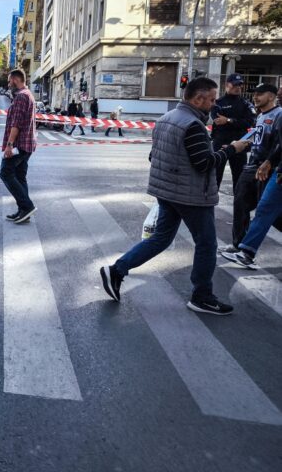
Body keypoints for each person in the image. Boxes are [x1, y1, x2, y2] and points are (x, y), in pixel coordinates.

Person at [99, 77, 250, 315]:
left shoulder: (165, 119)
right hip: (190, 196)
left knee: (160, 239)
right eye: (211, 99)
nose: (214, 105)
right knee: (207, 244)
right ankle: (202, 296)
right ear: (198, 99)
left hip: (167, 192)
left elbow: (154, 156)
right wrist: (231, 149)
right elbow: (204, 163)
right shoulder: (193, 125)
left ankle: (117, 270)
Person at [221, 84, 282, 260]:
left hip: (267, 169)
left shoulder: (279, 115)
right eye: (254, 93)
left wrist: (269, 163)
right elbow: (257, 136)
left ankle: (246, 249)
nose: (255, 97)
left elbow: (279, 145)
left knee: (269, 210)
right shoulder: (261, 115)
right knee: (240, 202)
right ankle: (238, 245)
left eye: (260, 94)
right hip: (252, 166)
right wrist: (239, 145)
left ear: (271, 96)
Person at [1, 69, 38, 224]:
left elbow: (16, 124)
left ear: (16, 80)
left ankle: (27, 206)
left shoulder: (21, 97)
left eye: (10, 81)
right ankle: (24, 211)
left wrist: (9, 145)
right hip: (27, 144)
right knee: (20, 177)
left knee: (5, 173)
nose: (9, 84)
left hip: (19, 145)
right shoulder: (28, 95)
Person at [211, 73, 255, 191]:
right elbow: (218, 120)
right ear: (227, 85)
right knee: (215, 178)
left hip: (239, 144)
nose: (238, 87)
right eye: (235, 84)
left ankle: (239, 207)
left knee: (240, 179)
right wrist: (237, 122)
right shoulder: (218, 102)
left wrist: (229, 120)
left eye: (240, 85)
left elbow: (250, 122)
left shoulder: (246, 103)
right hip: (220, 143)